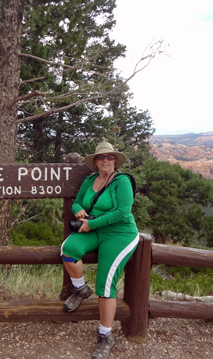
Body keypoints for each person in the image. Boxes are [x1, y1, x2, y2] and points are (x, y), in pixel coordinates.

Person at [61, 141, 139, 359]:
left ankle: (105, 335)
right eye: (101, 157)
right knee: (68, 249)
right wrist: (79, 211)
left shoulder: (122, 181)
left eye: (110, 157)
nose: (105, 160)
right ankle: (80, 289)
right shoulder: (89, 180)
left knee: (105, 284)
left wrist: (91, 224)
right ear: (95, 161)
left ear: (115, 161)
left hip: (120, 234)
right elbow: (76, 203)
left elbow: (122, 213)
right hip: (93, 228)